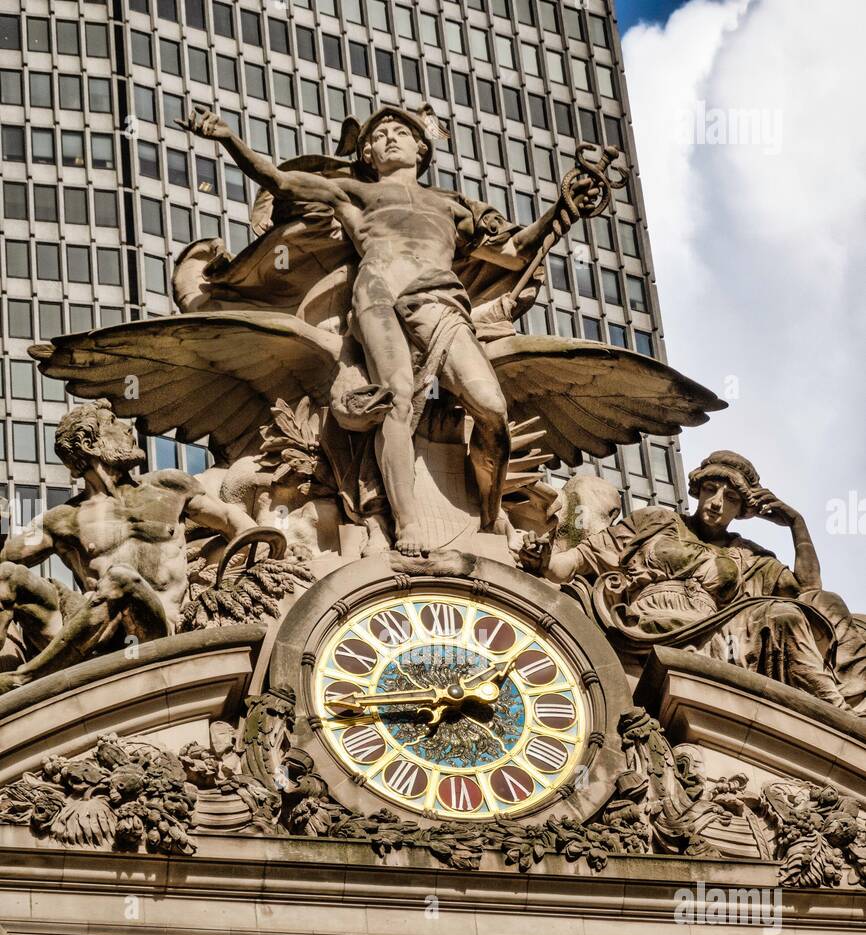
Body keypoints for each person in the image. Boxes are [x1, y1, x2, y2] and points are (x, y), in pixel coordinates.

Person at [179, 105, 579, 555]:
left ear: (421, 147)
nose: (389, 138)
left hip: (440, 300)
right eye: (379, 135)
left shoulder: (453, 206)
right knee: (397, 400)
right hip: (378, 296)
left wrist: (563, 208)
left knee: (492, 408)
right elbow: (283, 182)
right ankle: (406, 523)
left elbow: (513, 250)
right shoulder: (352, 194)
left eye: (400, 132)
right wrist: (229, 138)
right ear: (366, 152)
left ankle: (489, 516)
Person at [549, 450, 866, 713]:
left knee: (794, 615)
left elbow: (810, 592)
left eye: (730, 498)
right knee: (786, 618)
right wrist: (543, 559)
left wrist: (796, 524)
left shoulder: (747, 556)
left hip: (714, 634)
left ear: (742, 510)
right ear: (698, 491)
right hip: (646, 623)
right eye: (711, 490)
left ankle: (837, 712)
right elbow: (584, 557)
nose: (716, 502)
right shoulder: (657, 521)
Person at [0, 399, 255, 691]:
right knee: (8, 577)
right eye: (113, 422)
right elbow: (6, 558)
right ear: (89, 443)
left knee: (121, 579)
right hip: (92, 635)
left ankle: (26, 679)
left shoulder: (169, 486)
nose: (126, 428)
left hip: (156, 629)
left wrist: (259, 554)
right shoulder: (63, 520)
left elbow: (232, 520)